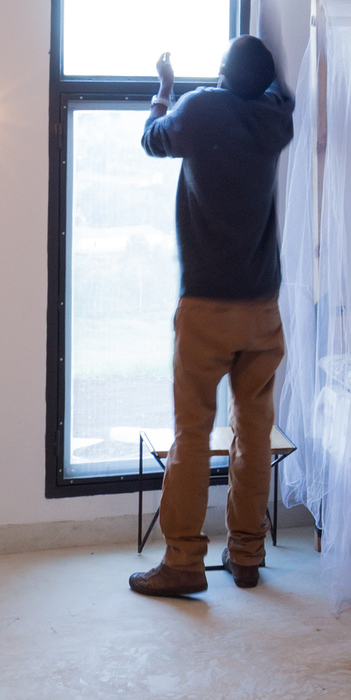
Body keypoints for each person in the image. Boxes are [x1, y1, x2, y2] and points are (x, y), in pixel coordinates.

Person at [129, 30, 296, 598]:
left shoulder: (199, 110)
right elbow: (271, 94)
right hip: (263, 308)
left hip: (206, 307)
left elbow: (153, 140)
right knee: (254, 434)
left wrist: (165, 89)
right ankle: (247, 554)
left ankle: (183, 561)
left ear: (222, 72)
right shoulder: (275, 120)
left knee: (193, 434)